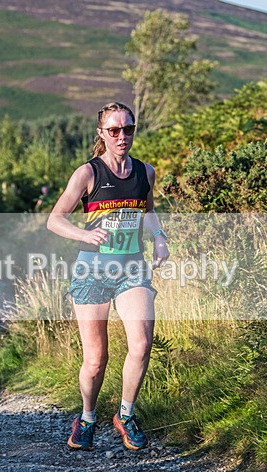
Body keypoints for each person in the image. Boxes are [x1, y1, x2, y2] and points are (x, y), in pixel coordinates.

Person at [46, 102, 169, 451]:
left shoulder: (145, 172)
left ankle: (126, 415)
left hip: (132, 267)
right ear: (101, 133)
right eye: (113, 130)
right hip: (93, 270)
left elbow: (147, 210)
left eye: (127, 129)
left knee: (142, 344)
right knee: (95, 359)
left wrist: (159, 237)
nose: (122, 136)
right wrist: (85, 235)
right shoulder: (87, 173)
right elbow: (54, 219)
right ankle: (86, 418)